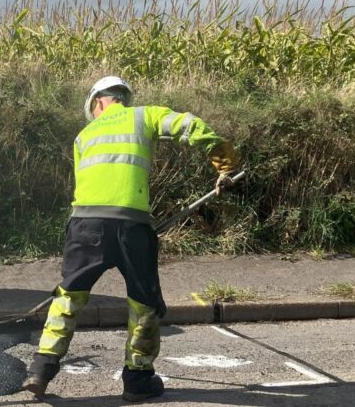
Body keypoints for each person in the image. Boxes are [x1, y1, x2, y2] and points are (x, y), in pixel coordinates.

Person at [22, 76, 239, 402]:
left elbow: (82, 187)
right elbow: (191, 125)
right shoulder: (145, 116)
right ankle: (137, 381)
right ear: (121, 98)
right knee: (143, 305)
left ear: (98, 102)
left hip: (84, 226)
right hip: (131, 228)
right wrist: (225, 164)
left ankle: (40, 369)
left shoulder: (83, 136)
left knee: (68, 298)